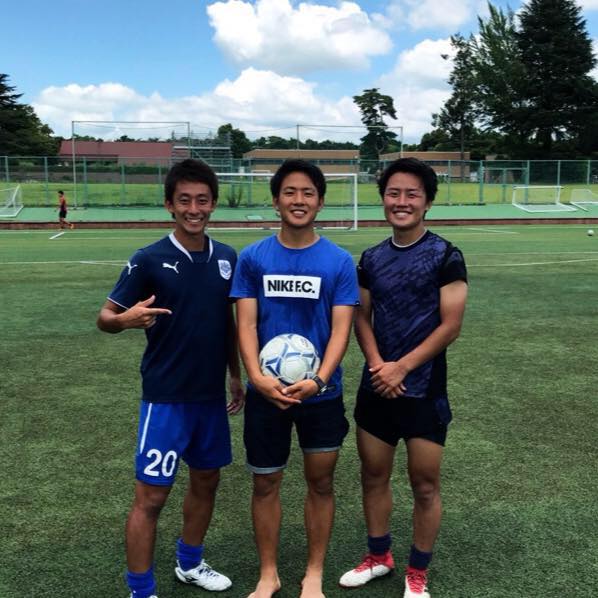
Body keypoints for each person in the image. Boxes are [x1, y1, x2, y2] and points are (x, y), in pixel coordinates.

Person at [96, 159, 244, 598]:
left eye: (202, 200)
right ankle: (141, 590)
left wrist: (235, 376)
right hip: (165, 399)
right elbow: (105, 317)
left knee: (206, 481)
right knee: (152, 497)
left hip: (209, 398)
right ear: (169, 205)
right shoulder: (148, 259)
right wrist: (124, 321)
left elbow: (227, 324)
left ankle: (190, 562)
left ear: (213, 204)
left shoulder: (227, 258)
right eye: (184, 201)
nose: (194, 209)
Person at [339, 158, 468, 598]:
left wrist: (402, 367)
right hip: (377, 385)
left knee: (425, 484)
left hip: (423, 388)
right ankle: (379, 557)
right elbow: (361, 316)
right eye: (394, 193)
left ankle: (417, 573)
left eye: (412, 194)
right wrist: (380, 366)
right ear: (383, 199)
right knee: (373, 475)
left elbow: (450, 325)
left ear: (427, 202)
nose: (402, 201)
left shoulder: (446, 255)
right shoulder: (371, 258)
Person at [231, 159, 359, 598]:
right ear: (276, 200)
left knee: (320, 483)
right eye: (290, 192)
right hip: (265, 394)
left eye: (308, 193)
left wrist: (319, 380)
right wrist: (256, 378)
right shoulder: (253, 258)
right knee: (265, 482)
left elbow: (341, 330)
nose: (298, 200)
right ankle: (268, 574)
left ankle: (313, 573)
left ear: (320, 202)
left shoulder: (339, 261)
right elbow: (246, 324)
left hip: (320, 395)